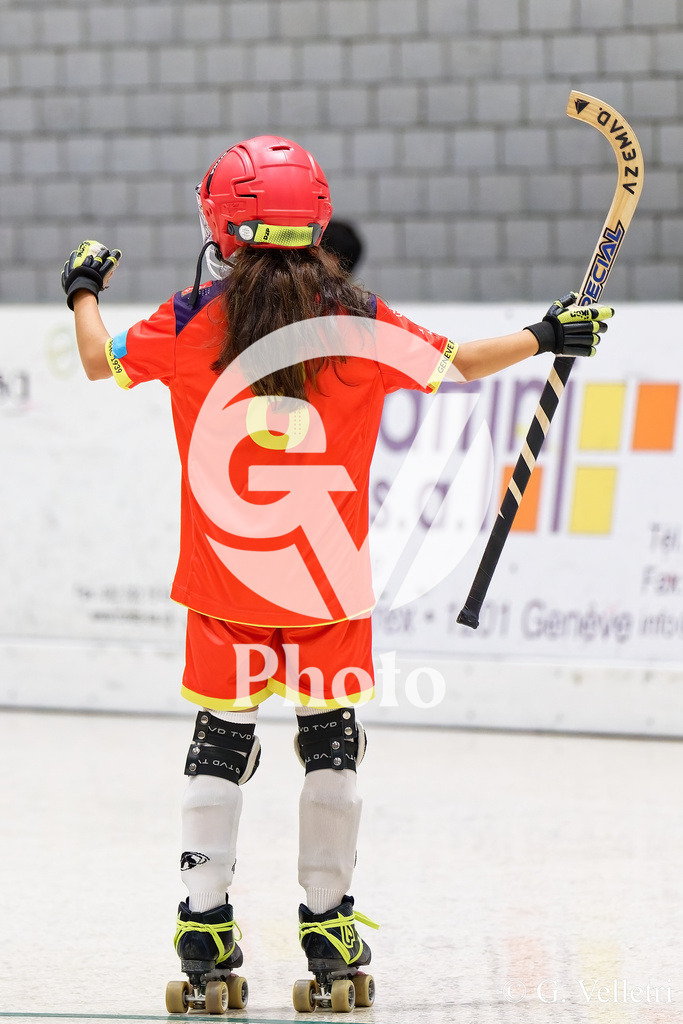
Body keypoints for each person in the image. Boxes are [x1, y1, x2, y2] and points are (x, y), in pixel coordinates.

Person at [61, 135, 614, 1013]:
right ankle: (327, 925)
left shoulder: (188, 317)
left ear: (223, 220)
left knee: (219, 742)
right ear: (313, 217)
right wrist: (548, 332)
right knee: (331, 745)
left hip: (223, 586)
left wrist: (84, 287)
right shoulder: (356, 317)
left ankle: (203, 925)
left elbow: (97, 360)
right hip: (323, 589)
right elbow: (461, 364)